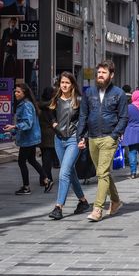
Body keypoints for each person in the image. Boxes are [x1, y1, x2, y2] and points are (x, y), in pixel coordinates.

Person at [77, 60, 128, 222]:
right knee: (104, 173)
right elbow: (83, 115)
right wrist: (81, 136)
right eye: (98, 72)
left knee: (102, 173)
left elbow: (123, 117)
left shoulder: (118, 93)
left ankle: (97, 209)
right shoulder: (89, 93)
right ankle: (116, 201)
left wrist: (115, 135)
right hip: (92, 137)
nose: (100, 75)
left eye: (104, 72)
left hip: (108, 137)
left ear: (111, 75)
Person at [48, 72, 90, 220]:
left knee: (64, 172)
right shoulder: (55, 99)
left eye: (67, 82)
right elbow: (51, 114)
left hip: (73, 139)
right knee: (70, 172)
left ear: (72, 84)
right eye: (62, 83)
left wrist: (83, 138)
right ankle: (83, 202)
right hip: (58, 139)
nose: (64, 85)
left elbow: (85, 121)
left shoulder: (79, 100)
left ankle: (58, 207)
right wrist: (54, 124)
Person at [4, 83, 52, 195]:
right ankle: (46, 180)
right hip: (30, 138)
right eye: (15, 91)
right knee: (31, 160)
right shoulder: (26, 104)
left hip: (28, 139)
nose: (16, 93)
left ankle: (26, 187)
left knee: (22, 161)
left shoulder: (25, 105)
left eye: (18, 91)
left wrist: (14, 127)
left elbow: (27, 123)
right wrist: (13, 130)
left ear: (24, 93)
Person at [38, 87, 57, 187]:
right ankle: (46, 178)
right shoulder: (52, 106)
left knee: (45, 158)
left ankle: (44, 178)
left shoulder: (41, 105)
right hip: (50, 135)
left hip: (42, 135)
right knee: (47, 159)